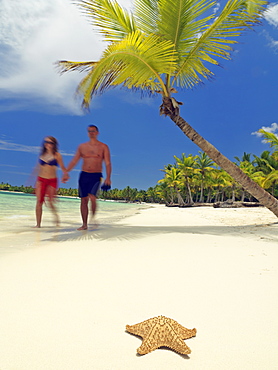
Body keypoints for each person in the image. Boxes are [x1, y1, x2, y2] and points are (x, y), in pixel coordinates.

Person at [63, 125, 111, 230]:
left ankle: (93, 218)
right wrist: (66, 172)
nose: (91, 133)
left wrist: (108, 177)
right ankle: (84, 224)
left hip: (96, 175)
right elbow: (75, 160)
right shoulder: (82, 147)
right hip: (84, 175)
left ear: (97, 133)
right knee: (84, 200)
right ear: (87, 133)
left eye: (93, 131)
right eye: (89, 131)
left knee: (93, 197)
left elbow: (107, 163)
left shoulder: (103, 147)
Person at [34, 136, 68, 228]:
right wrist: (34, 180)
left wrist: (65, 174)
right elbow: (38, 168)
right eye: (46, 142)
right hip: (41, 180)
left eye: (51, 143)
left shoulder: (57, 155)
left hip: (52, 180)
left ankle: (56, 218)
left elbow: (62, 167)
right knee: (39, 202)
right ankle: (38, 224)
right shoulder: (42, 155)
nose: (48, 144)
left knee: (50, 202)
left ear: (54, 145)